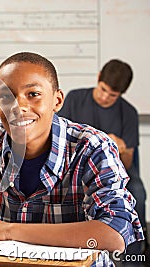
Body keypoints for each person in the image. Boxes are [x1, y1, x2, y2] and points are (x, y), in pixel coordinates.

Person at [0, 52, 144, 265]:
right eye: (6, 97)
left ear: (57, 101)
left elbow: (114, 234)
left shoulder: (93, 148)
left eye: (33, 94)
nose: (18, 107)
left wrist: (8, 230)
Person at [58, 59, 147, 253]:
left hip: (115, 172)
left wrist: (122, 149)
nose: (105, 97)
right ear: (98, 78)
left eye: (112, 95)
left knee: (138, 193)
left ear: (121, 94)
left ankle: (133, 258)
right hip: (78, 169)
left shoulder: (128, 113)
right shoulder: (75, 99)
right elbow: (59, 142)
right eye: (103, 89)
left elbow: (128, 164)